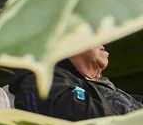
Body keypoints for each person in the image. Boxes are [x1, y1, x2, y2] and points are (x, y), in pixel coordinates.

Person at [14, 44, 142, 120]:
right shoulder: (41, 82)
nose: (103, 41)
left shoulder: (95, 84)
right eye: (93, 33)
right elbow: (92, 116)